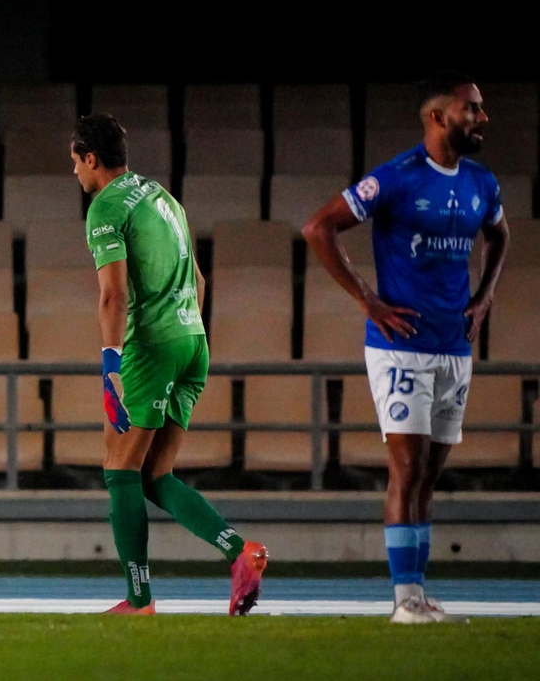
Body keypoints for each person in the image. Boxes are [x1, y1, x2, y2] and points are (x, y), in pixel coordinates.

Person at [302, 71, 509, 624]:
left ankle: (417, 597)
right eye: (471, 109)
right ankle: (404, 601)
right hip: (401, 348)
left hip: (454, 347)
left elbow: (500, 235)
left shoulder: (482, 182)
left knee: (428, 475)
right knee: (407, 467)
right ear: (437, 117)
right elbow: (318, 228)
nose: (482, 117)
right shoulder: (396, 177)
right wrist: (367, 300)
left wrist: (485, 296)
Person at [71, 114, 269, 616]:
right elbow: (198, 281)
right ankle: (240, 551)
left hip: (152, 347)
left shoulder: (105, 208)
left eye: (75, 161)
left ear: (91, 158)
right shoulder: (161, 196)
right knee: (156, 474)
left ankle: (140, 602)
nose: (74, 171)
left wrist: (112, 367)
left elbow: (113, 295)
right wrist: (181, 337)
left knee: (120, 469)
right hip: (193, 340)